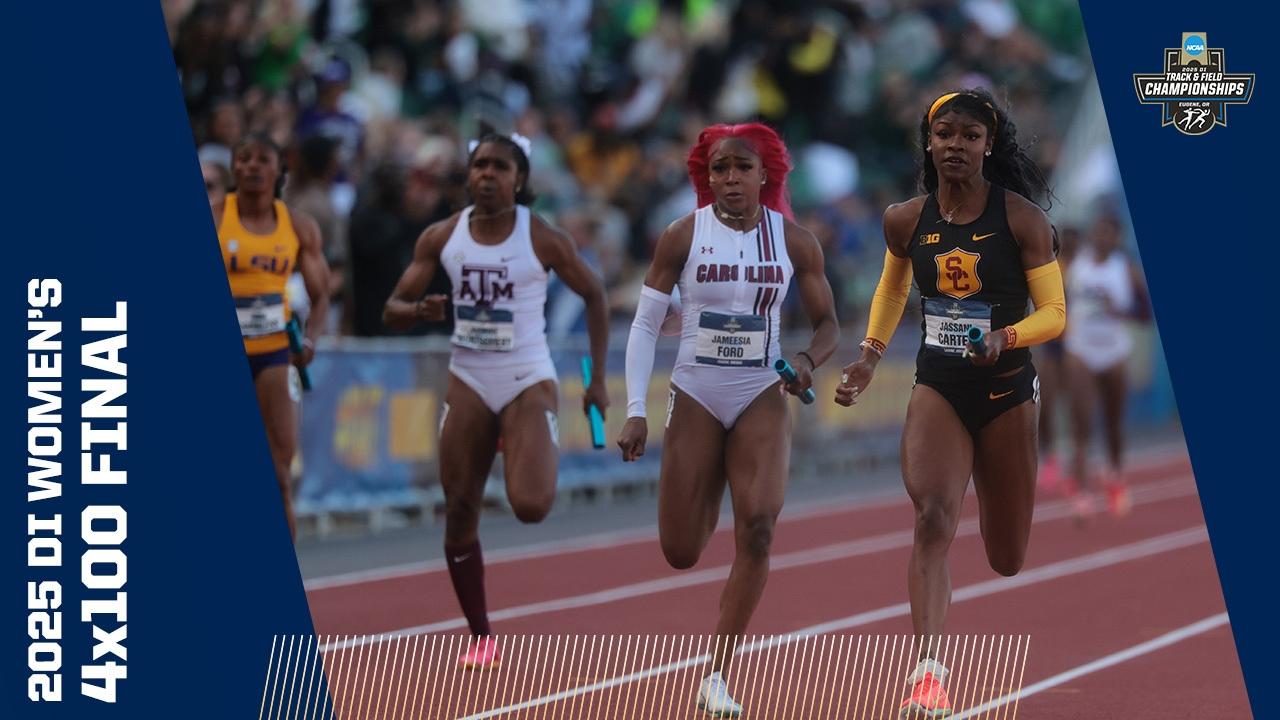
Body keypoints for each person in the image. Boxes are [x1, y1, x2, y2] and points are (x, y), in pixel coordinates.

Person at [833, 89, 1066, 718]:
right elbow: (892, 289)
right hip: (939, 383)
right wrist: (870, 355)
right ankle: (928, 672)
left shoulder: (1023, 220)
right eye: (944, 134)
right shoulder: (905, 219)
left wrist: (1005, 337)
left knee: (1006, 557)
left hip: (1006, 390)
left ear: (989, 145)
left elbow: (1055, 313)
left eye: (969, 135)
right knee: (932, 517)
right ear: (928, 143)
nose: (955, 145)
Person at [619, 123, 839, 718]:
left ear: (765, 175)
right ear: (707, 176)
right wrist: (635, 411)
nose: (732, 179)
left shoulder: (794, 242)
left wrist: (805, 361)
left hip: (760, 391)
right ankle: (711, 477)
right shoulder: (682, 235)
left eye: (743, 168)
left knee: (759, 528)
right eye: (720, 169)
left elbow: (828, 325)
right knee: (680, 551)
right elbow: (644, 325)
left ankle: (717, 671)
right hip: (696, 391)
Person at [383, 133, 610, 670]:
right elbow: (392, 309)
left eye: (499, 167)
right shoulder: (444, 235)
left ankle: (522, 434)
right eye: (479, 165)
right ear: (468, 174)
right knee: (459, 510)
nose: (487, 174)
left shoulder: (542, 237)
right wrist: (418, 312)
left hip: (526, 377)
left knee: (531, 506)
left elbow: (595, 294)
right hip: (469, 378)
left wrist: (597, 380)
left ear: (519, 178)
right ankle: (481, 637)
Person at [215, 133, 331, 540]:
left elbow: (321, 295)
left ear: (280, 169)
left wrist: (311, 340)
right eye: (244, 158)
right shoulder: (215, 216)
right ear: (234, 168)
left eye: (262, 159)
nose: (251, 166)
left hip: (274, 353)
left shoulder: (299, 226)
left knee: (279, 472)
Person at [1063, 211, 1150, 518]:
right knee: (1082, 422)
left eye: (1109, 233)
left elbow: (1146, 314)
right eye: (1098, 231)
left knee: (1113, 423)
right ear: (1092, 234)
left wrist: (1121, 311)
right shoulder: (1076, 265)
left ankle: (1115, 476)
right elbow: (1059, 302)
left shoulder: (1126, 269)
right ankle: (1081, 492)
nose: (1102, 237)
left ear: (1117, 237)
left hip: (1114, 351)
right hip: (1081, 350)